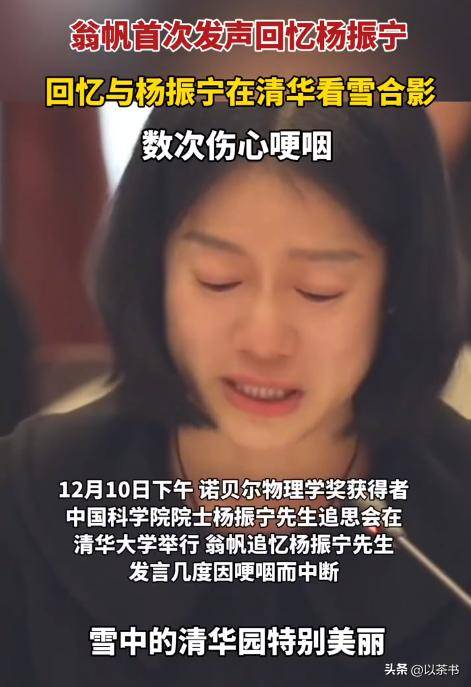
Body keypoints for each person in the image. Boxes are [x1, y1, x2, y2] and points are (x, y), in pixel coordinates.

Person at [1, 103, 470, 686]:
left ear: (397, 288)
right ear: (155, 271)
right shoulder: (32, 499)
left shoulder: (455, 518)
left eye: (319, 290)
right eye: (218, 279)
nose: (264, 341)